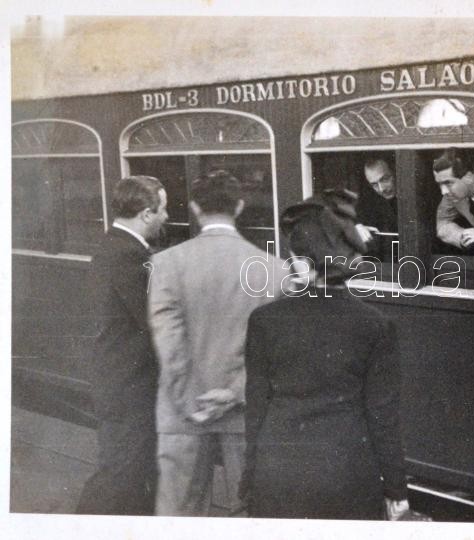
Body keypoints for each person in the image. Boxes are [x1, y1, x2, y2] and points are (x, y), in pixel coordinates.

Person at [241, 190, 421, 520]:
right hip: (347, 474)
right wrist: (396, 491)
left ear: (300, 261)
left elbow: (256, 409)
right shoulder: (376, 325)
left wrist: (249, 478)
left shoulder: (264, 320)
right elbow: (383, 420)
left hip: (278, 471)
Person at [148, 170, 288, 516]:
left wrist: (190, 402)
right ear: (239, 206)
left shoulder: (165, 264)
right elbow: (274, 352)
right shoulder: (275, 270)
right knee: (251, 514)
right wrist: (234, 393)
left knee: (180, 516)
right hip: (244, 414)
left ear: (195, 208)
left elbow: (169, 343)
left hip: (183, 414)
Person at [77, 175, 168, 515]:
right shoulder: (129, 256)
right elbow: (153, 319)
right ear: (146, 214)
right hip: (130, 389)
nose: (166, 216)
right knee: (120, 475)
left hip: (117, 381)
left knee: (130, 474)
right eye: (163, 209)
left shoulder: (112, 245)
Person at [355, 158, 399, 259]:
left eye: (385, 179)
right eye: (374, 184)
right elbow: (355, 218)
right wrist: (357, 226)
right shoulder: (370, 200)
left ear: (395, 172)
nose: (381, 189)